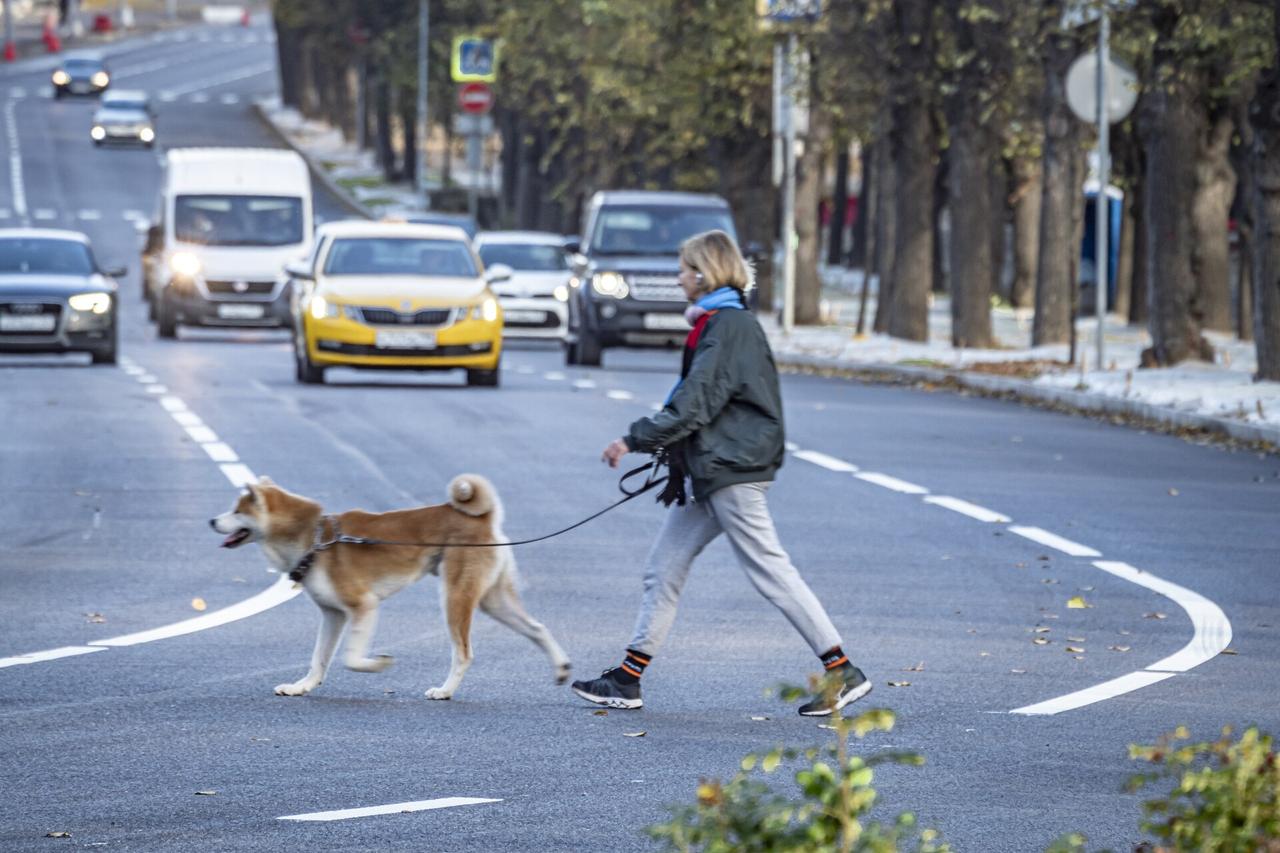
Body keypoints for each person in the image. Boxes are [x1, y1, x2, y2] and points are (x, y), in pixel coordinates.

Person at [569, 229, 870, 717]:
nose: (679, 276)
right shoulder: (719, 322)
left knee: (771, 570)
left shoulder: (727, 326)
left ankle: (841, 668)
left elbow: (696, 402)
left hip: (732, 468)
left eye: (685, 268)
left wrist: (635, 438)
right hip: (713, 468)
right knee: (663, 568)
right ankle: (628, 678)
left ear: (705, 273)